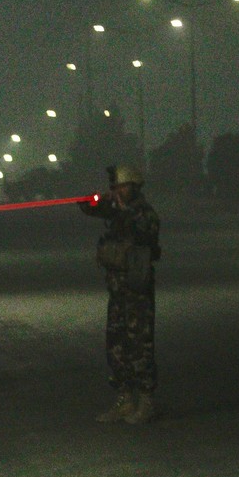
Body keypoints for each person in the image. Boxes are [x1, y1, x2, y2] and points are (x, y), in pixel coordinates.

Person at [78, 165, 160, 424]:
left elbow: (143, 234)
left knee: (140, 345)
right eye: (115, 187)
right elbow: (88, 208)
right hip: (117, 289)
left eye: (122, 187)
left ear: (134, 188)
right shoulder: (116, 210)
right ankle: (124, 399)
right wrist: (93, 201)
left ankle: (146, 400)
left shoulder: (145, 214)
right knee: (116, 344)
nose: (118, 191)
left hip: (137, 290)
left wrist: (120, 211)